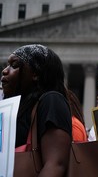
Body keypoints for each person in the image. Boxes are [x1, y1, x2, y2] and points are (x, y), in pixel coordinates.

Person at [1, 44, 72, 176]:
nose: (5, 71)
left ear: (35, 73)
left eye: (14, 65)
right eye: (7, 65)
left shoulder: (51, 101)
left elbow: (55, 165)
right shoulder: (16, 108)